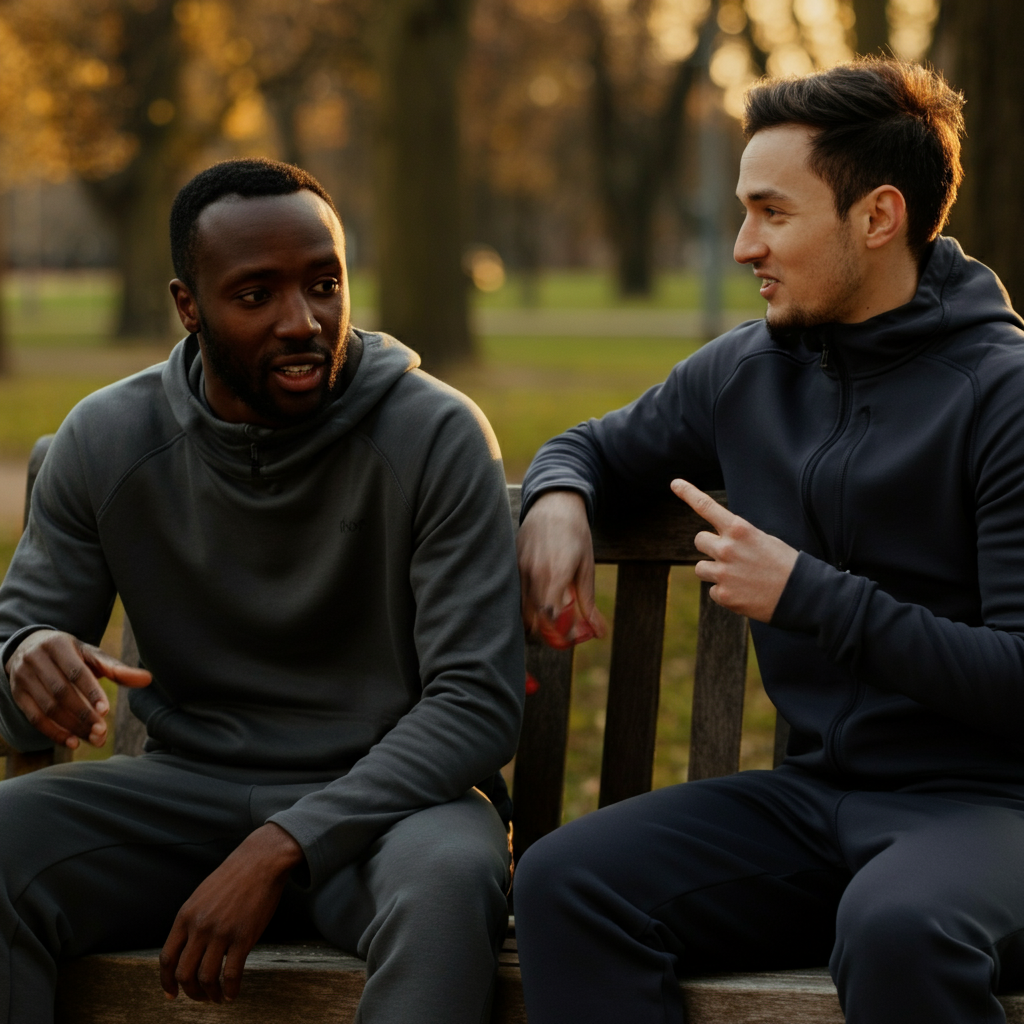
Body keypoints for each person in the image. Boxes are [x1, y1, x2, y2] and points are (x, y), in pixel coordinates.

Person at [513, 58, 1024, 1024]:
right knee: (567, 880)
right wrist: (557, 496)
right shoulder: (749, 369)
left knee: (899, 928)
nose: (743, 244)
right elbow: (588, 443)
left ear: (878, 217)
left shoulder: (1003, 398)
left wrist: (810, 596)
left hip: (991, 812)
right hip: (817, 802)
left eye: (772, 213)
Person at [0, 158, 524, 1024]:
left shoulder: (435, 433)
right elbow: (16, 684)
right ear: (187, 306)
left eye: (325, 284)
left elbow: (475, 705)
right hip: (183, 798)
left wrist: (283, 845)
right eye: (256, 295)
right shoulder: (108, 439)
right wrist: (24, 662)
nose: (303, 321)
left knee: (449, 882)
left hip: (389, 810)